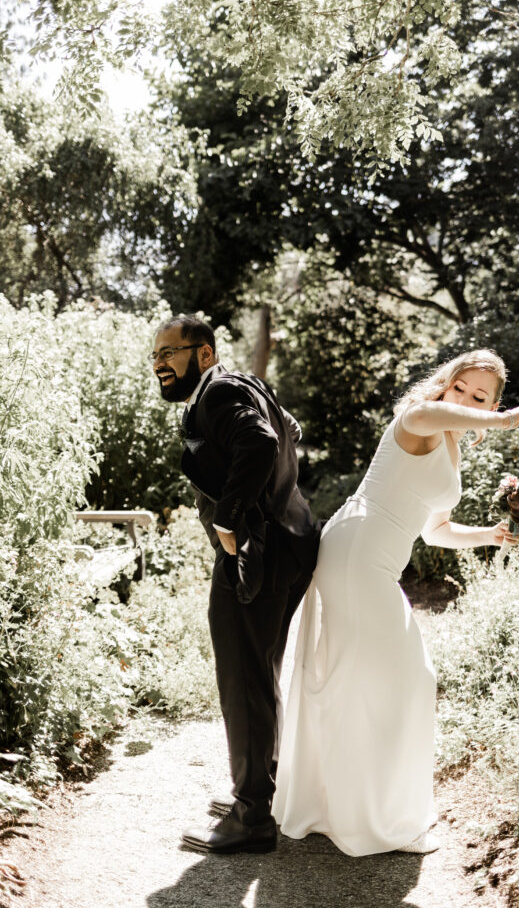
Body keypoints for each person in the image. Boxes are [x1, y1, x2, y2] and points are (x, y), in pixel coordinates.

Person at [272, 349, 519, 856]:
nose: (466, 398)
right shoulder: (418, 417)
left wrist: (487, 534)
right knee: (399, 676)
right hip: (357, 552)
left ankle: (353, 806)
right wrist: (503, 419)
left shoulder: (450, 444)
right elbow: (427, 413)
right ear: (446, 384)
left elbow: (436, 530)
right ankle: (363, 816)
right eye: (460, 388)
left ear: (491, 400)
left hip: (373, 559)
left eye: (481, 396)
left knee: (377, 679)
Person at [151, 316, 320, 854]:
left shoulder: (219, 392)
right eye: (154, 355)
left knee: (242, 676)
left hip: (257, 552)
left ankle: (251, 817)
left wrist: (229, 521)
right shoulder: (246, 383)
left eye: (169, 352)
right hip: (290, 542)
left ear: (203, 354)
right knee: (260, 667)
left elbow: (262, 440)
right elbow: (290, 430)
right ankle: (260, 794)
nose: (158, 363)